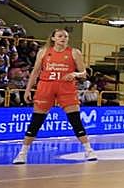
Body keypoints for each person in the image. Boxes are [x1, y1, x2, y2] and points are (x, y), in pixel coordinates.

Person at [11, 28, 97, 164]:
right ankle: (22, 153)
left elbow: (84, 73)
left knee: (75, 119)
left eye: (66, 36)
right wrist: (28, 90)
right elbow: (35, 72)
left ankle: (88, 150)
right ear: (53, 38)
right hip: (46, 86)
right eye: (60, 36)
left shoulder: (74, 52)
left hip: (66, 87)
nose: (63, 38)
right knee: (36, 121)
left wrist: (75, 74)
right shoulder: (44, 51)